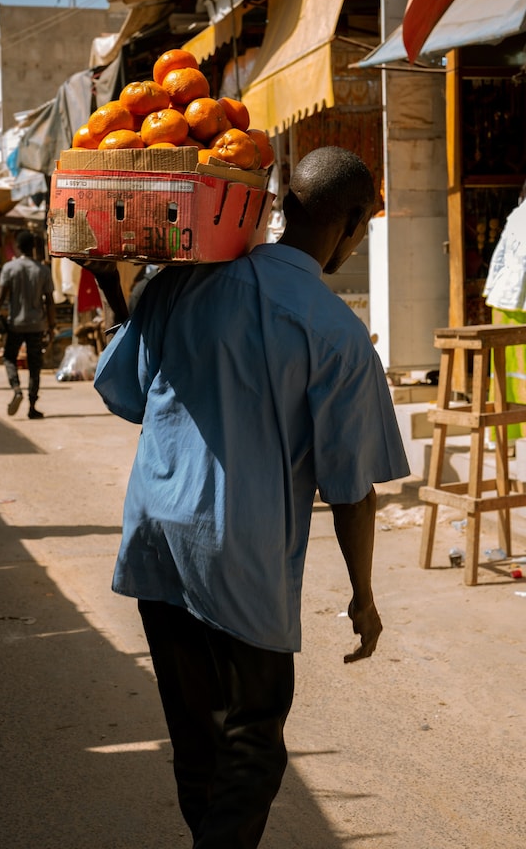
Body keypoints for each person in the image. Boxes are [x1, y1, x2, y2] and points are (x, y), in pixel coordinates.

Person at [94, 147, 410, 848]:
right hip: (238, 555)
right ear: (352, 223)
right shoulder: (335, 331)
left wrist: (120, 291)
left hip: (155, 539)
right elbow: (351, 490)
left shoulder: (186, 283)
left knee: (197, 738)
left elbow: (128, 392)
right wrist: (363, 593)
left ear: (282, 205)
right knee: (254, 746)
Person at [0, 230, 56, 419]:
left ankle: (16, 388)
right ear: (34, 247)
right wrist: (51, 326)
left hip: (15, 324)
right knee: (35, 366)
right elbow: (50, 301)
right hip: (37, 325)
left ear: (17, 247)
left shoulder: (10, 268)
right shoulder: (43, 270)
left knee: (9, 357)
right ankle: (32, 406)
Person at [483, 182, 526, 447]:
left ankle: (503, 439)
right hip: (520, 305)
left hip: (504, 301)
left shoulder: (516, 214)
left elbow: (499, 259)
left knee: (504, 374)